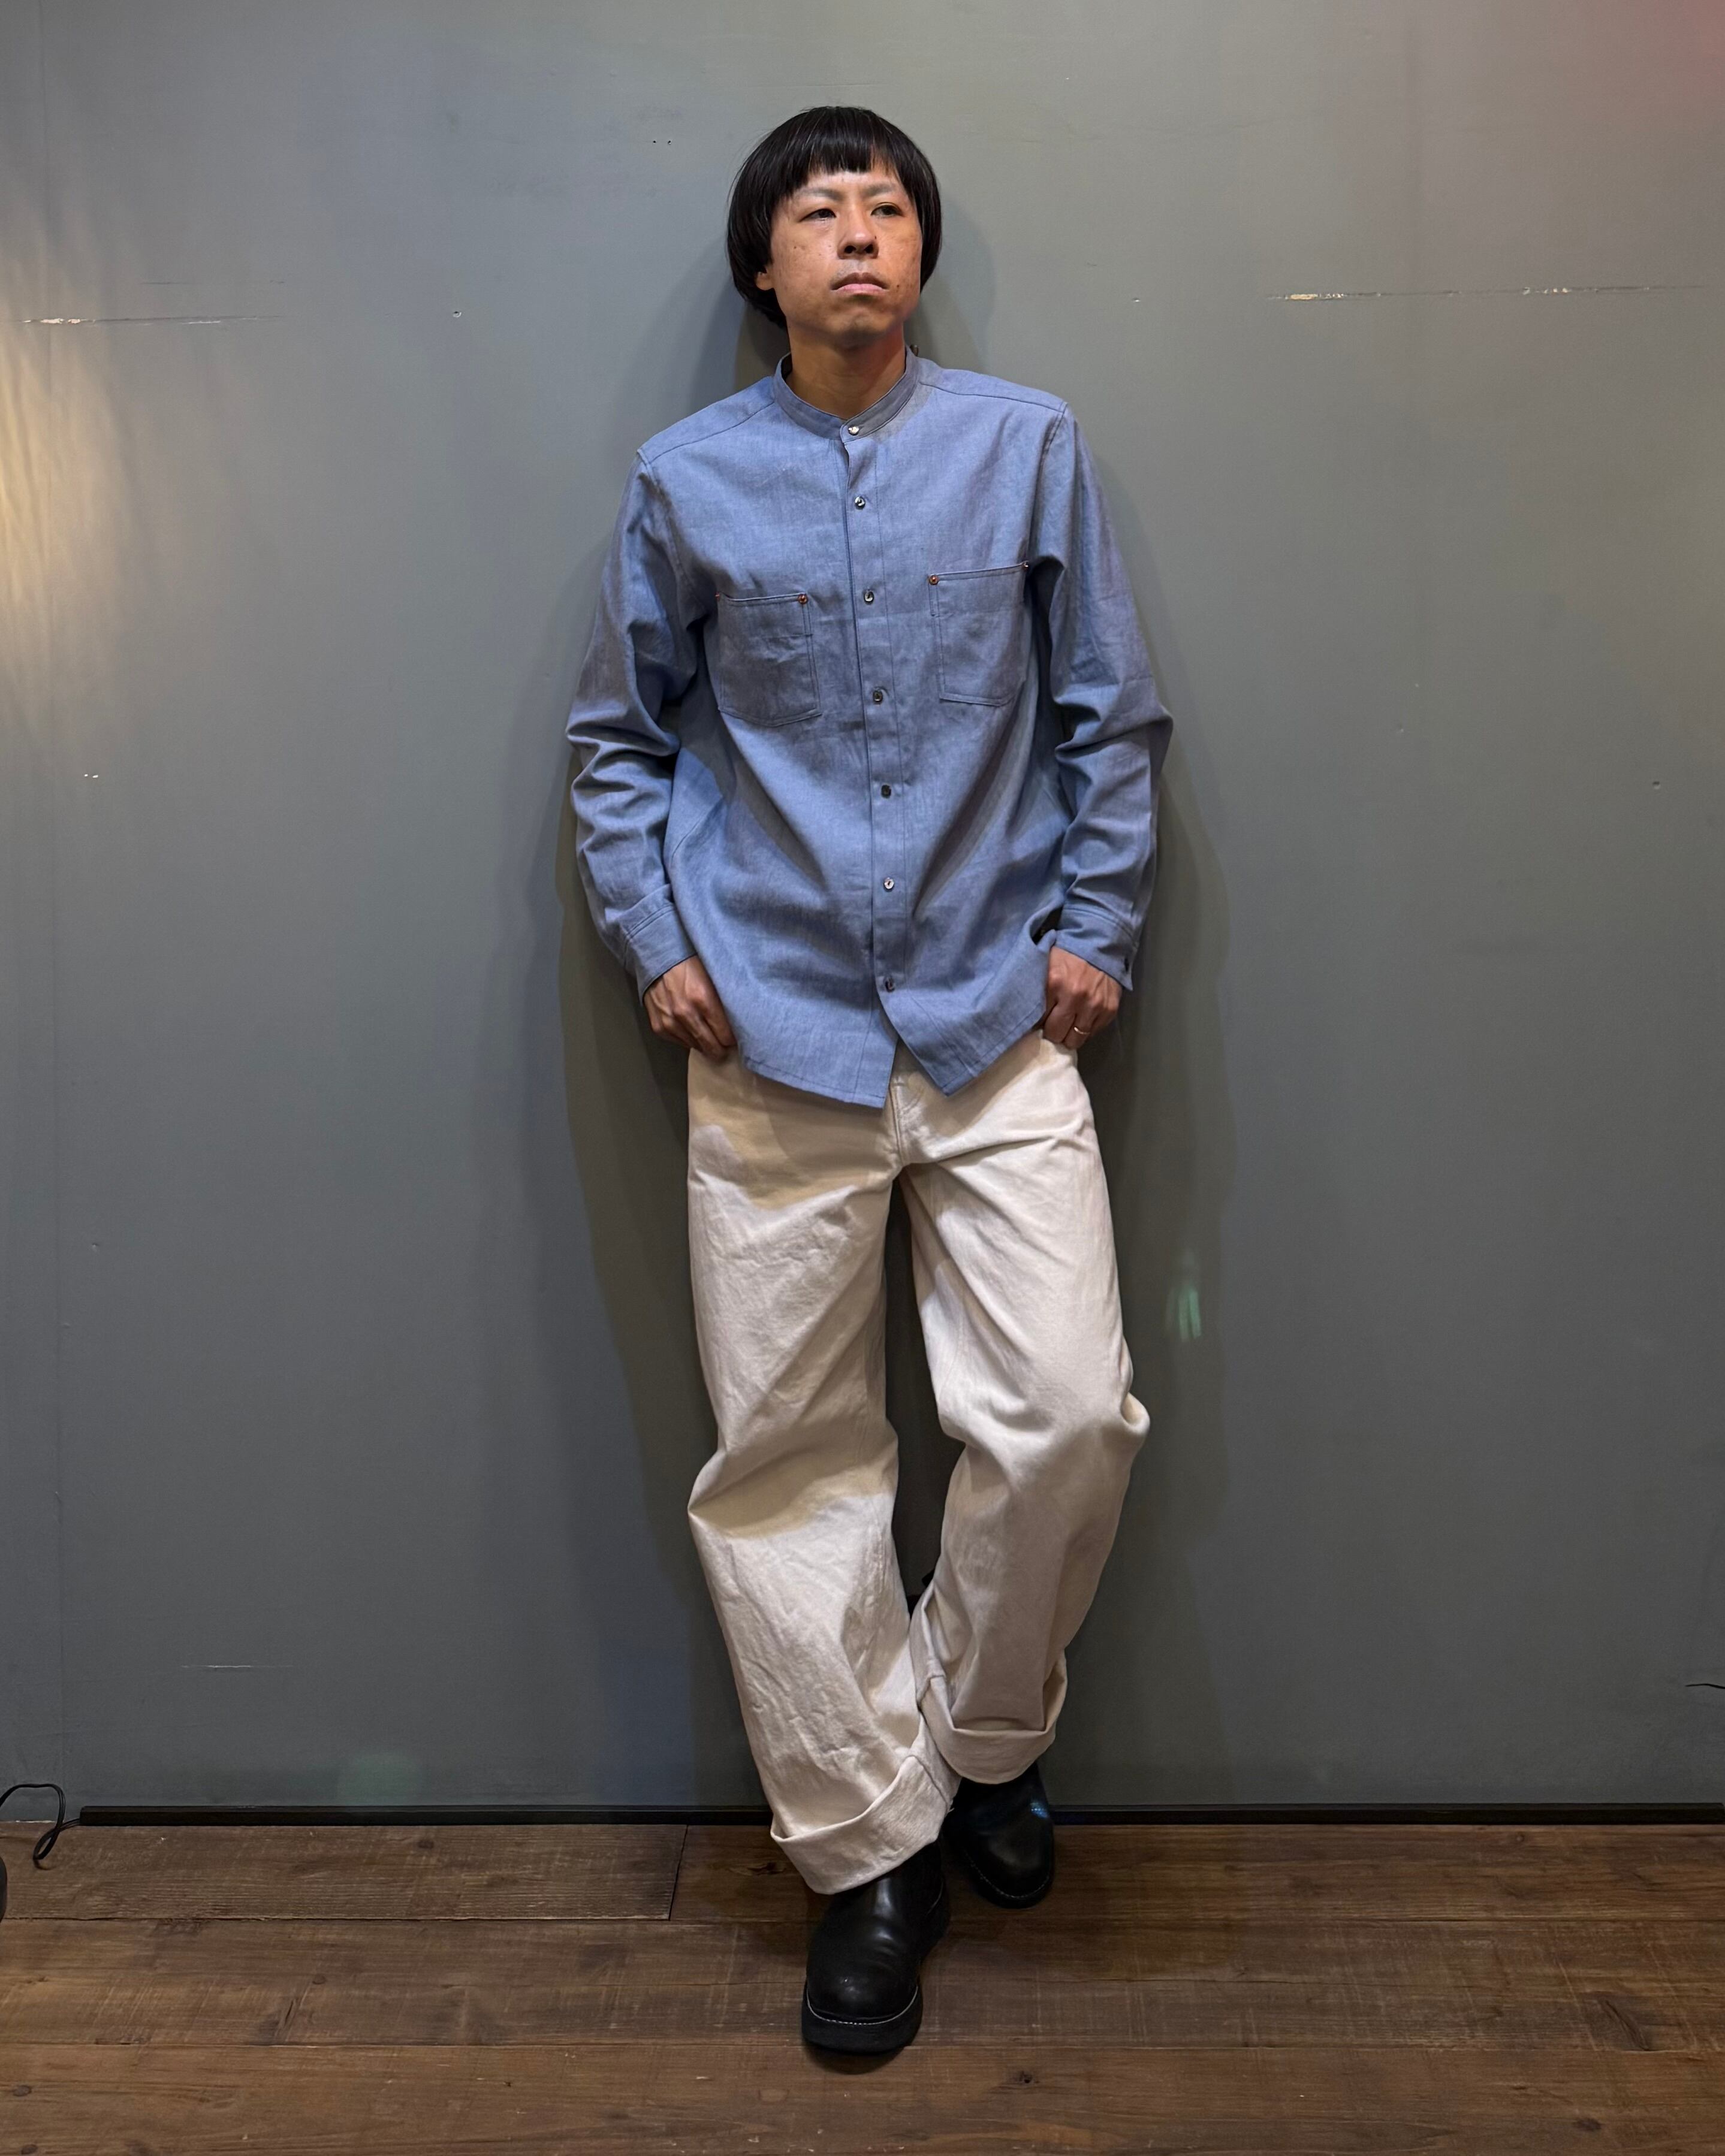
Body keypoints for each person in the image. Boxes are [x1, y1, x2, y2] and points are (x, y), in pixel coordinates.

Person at [566, 104, 1173, 2055]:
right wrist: (656, 939)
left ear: (921, 251)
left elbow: (1110, 711)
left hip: (1000, 1020)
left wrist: (1099, 922)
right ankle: (866, 1850)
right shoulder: (685, 479)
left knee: (1067, 1413)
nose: (856, 235)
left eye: (887, 207)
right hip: (770, 1031)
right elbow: (617, 740)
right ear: (765, 266)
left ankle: (980, 1742)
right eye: (817, 212)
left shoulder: (1026, 445)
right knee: (788, 1464)